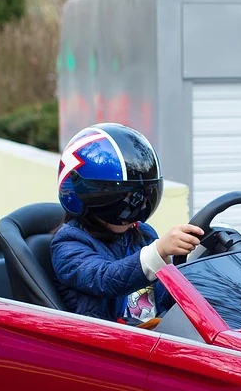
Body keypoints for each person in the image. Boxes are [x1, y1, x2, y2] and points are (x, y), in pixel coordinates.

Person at [51, 123, 203, 322]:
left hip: (157, 332)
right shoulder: (68, 243)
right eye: (124, 198)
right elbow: (105, 279)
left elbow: (167, 298)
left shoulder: (143, 234)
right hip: (109, 337)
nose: (138, 206)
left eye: (142, 197)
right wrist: (158, 251)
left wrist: (202, 258)